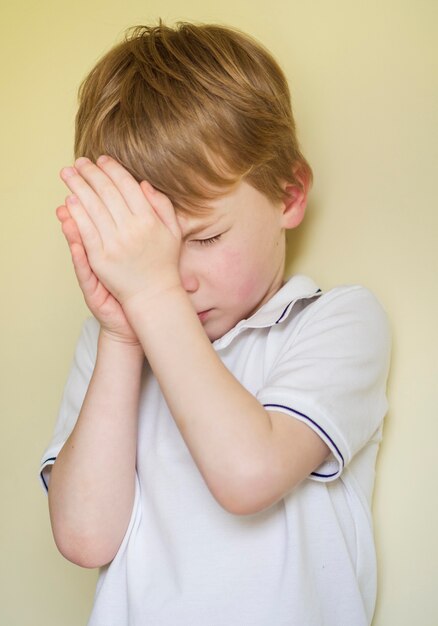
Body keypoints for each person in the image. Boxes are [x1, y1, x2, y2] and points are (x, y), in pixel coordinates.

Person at [39, 22, 390, 626]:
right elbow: (84, 538)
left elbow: (250, 474)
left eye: (204, 238)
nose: (175, 279)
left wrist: (150, 292)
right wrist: (123, 337)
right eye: (148, 253)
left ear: (288, 194)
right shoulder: (113, 347)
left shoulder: (333, 320)